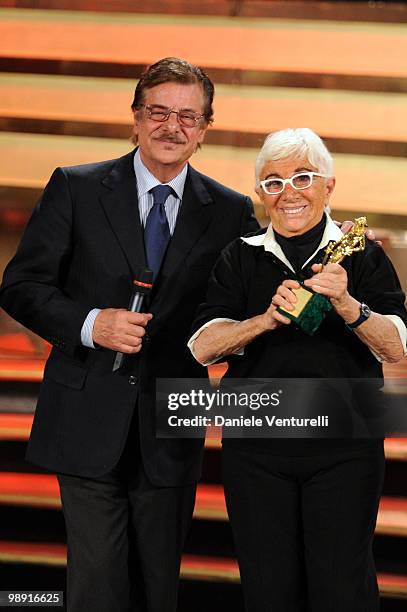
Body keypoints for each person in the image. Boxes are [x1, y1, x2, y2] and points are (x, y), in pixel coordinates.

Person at [0, 57, 258, 612]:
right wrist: (93, 324)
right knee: (97, 585)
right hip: (86, 414)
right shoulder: (75, 187)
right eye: (159, 112)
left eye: (189, 117)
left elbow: (247, 310)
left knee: (156, 587)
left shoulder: (233, 212)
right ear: (135, 118)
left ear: (206, 128)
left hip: (171, 423)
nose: (172, 127)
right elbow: (21, 285)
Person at [189, 128, 407, 612]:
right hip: (257, 449)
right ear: (261, 194)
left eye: (303, 177)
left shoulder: (363, 255)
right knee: (268, 590)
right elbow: (203, 347)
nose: (289, 192)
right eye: (273, 182)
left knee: (342, 590)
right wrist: (263, 321)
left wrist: (348, 304)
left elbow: (394, 348)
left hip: (346, 448)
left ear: (329, 186)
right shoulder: (238, 256)